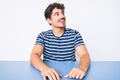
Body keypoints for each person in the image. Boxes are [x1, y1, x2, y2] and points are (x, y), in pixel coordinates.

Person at [30, 2, 90, 80]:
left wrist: (82, 68)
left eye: (62, 13)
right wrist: (44, 68)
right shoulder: (43, 36)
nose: (62, 16)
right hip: (49, 76)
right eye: (57, 14)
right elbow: (34, 55)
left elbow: (84, 55)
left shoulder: (75, 34)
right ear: (49, 20)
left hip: (70, 75)